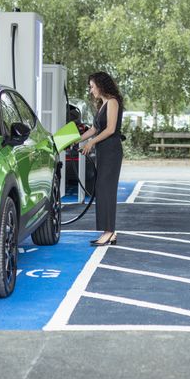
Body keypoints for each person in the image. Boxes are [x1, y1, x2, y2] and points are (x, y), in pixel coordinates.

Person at [79, 71, 124, 247]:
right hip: (104, 151)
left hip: (111, 150)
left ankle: (109, 231)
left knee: (107, 190)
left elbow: (110, 129)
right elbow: (94, 129)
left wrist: (91, 143)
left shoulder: (112, 102)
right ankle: (109, 231)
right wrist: (74, 140)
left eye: (92, 86)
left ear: (100, 85)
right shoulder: (102, 105)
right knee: (102, 188)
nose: (91, 90)